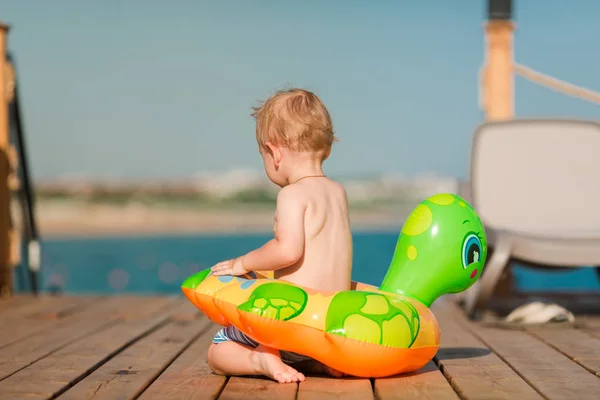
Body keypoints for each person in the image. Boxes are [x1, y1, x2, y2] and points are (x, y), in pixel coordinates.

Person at [207, 88, 353, 383]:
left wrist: (244, 263)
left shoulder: (292, 195)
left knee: (218, 350)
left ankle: (261, 358)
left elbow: (288, 251)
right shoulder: (337, 193)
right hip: (327, 328)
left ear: (274, 153)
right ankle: (318, 363)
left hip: (290, 327)